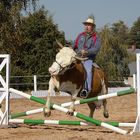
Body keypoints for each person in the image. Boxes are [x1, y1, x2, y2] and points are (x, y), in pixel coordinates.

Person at [73, 16, 101, 98]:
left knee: (88, 71)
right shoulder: (80, 35)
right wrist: (68, 48)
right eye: (86, 25)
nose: (86, 26)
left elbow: (96, 49)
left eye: (88, 25)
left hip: (87, 59)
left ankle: (86, 90)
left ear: (92, 27)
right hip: (77, 57)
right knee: (66, 65)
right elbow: (74, 45)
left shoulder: (97, 37)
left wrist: (87, 52)